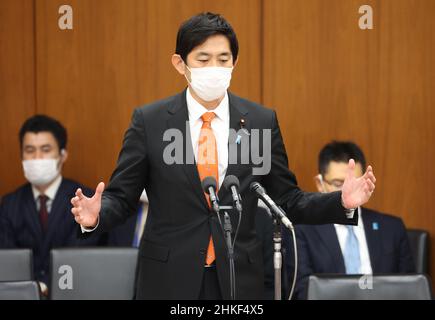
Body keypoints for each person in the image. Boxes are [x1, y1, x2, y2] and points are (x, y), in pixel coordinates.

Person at [70, 13, 376, 299]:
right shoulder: (150, 122)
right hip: (168, 278)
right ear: (180, 63)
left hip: (237, 277)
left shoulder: (259, 121)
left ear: (235, 62)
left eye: (223, 59)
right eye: (203, 60)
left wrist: (341, 203)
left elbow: (286, 200)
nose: (214, 68)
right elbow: (122, 198)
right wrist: (96, 215)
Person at [285, 141, 414, 299]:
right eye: (338, 184)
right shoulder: (301, 229)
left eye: (355, 184)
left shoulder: (392, 228)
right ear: (320, 184)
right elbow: (303, 290)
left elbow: (410, 288)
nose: (347, 191)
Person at [0, 115, 103, 292]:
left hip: (73, 292)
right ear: (22, 156)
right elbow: (9, 259)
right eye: (30, 150)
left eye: (45, 149)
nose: (37, 157)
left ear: (62, 155)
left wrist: (46, 286)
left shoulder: (84, 200)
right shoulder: (9, 204)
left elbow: (82, 254)